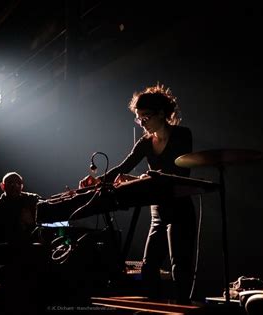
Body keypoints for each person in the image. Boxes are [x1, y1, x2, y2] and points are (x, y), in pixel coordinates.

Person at [79, 83, 196, 303]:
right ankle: (153, 306)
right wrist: (98, 180)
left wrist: (147, 177)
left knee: (179, 264)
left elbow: (180, 170)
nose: (142, 122)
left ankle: (183, 306)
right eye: (138, 118)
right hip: (158, 209)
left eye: (146, 117)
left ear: (162, 114)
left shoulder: (182, 135)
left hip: (179, 206)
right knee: (149, 264)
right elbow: (123, 167)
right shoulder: (145, 142)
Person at [0, 172, 45, 314]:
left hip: (30, 254)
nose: (14, 186)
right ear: (2, 186)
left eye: (17, 183)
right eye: (10, 183)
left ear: (22, 186)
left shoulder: (31, 200)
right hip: (8, 256)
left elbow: (48, 206)